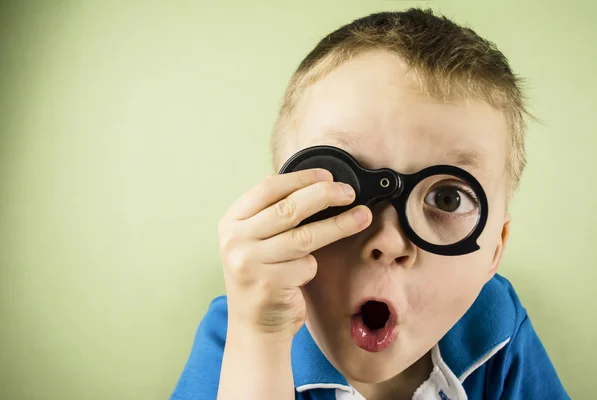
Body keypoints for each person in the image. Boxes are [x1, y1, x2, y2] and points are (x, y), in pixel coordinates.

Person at [170, 8, 569, 400]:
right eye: (339, 180)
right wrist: (259, 338)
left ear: (494, 251)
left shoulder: (496, 327)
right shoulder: (241, 329)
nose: (388, 241)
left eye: (447, 199)